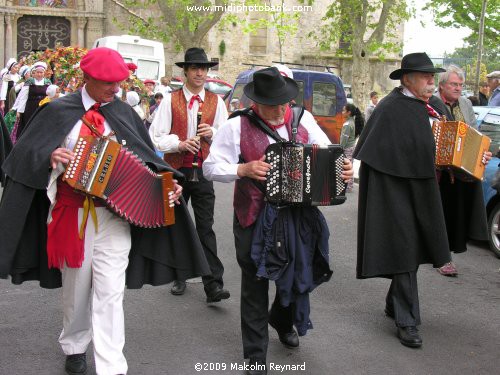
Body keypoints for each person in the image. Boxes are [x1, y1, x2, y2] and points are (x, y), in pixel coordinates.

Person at [0, 47, 210, 375]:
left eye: (119, 82)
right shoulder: (56, 110)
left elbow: (146, 158)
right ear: (87, 79)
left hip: (115, 218)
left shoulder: (124, 113)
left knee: (110, 292)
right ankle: (74, 343)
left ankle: (112, 366)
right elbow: (26, 157)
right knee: (77, 289)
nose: (116, 89)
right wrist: (52, 158)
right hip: (72, 215)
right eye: (108, 83)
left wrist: (166, 184)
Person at [203, 67, 353, 375]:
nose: (280, 110)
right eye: (272, 105)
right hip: (254, 215)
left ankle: (283, 320)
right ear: (256, 102)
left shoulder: (302, 119)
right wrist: (241, 170)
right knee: (255, 284)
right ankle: (256, 357)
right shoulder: (237, 126)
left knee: (297, 275)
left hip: (297, 215)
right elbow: (210, 167)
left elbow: (327, 154)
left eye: (283, 103)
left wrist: (345, 169)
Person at [354, 52, 490, 349]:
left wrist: (476, 156)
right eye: (426, 77)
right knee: (404, 246)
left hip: (425, 188)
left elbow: (444, 147)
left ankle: (395, 303)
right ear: (407, 79)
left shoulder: (431, 107)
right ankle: (407, 320)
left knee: (412, 247)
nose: (432, 81)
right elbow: (385, 152)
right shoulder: (391, 108)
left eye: (433, 76)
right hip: (395, 190)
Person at [149, 47, 230, 302]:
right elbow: (156, 137)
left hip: (203, 171)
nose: (200, 73)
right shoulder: (170, 100)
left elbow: (227, 137)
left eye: (203, 68)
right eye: (195, 68)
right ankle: (179, 276)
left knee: (206, 227)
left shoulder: (216, 102)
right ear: (185, 71)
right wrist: (179, 143)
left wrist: (212, 134)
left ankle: (213, 285)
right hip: (176, 171)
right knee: (179, 226)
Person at [434, 64, 485, 277]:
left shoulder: (465, 103)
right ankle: (440, 257)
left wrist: (481, 152)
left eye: (461, 85)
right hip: (437, 171)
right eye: (454, 84)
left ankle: (445, 254)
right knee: (438, 214)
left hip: (460, 171)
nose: (458, 88)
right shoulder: (431, 103)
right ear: (442, 85)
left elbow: (474, 131)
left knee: (454, 215)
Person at [12, 62, 52, 142]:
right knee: (29, 125)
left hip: (43, 108)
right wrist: (19, 111)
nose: (39, 74)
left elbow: (52, 95)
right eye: (38, 72)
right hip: (30, 107)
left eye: (41, 72)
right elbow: (23, 97)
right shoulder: (30, 82)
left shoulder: (48, 82)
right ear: (34, 72)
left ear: (44, 73)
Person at [340, 103, 363, 192]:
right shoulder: (352, 122)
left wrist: (340, 148)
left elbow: (343, 140)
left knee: (346, 166)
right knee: (350, 166)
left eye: (343, 110)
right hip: (351, 147)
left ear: (348, 112)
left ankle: (347, 186)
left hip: (347, 148)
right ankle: (349, 186)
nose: (342, 112)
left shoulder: (347, 125)